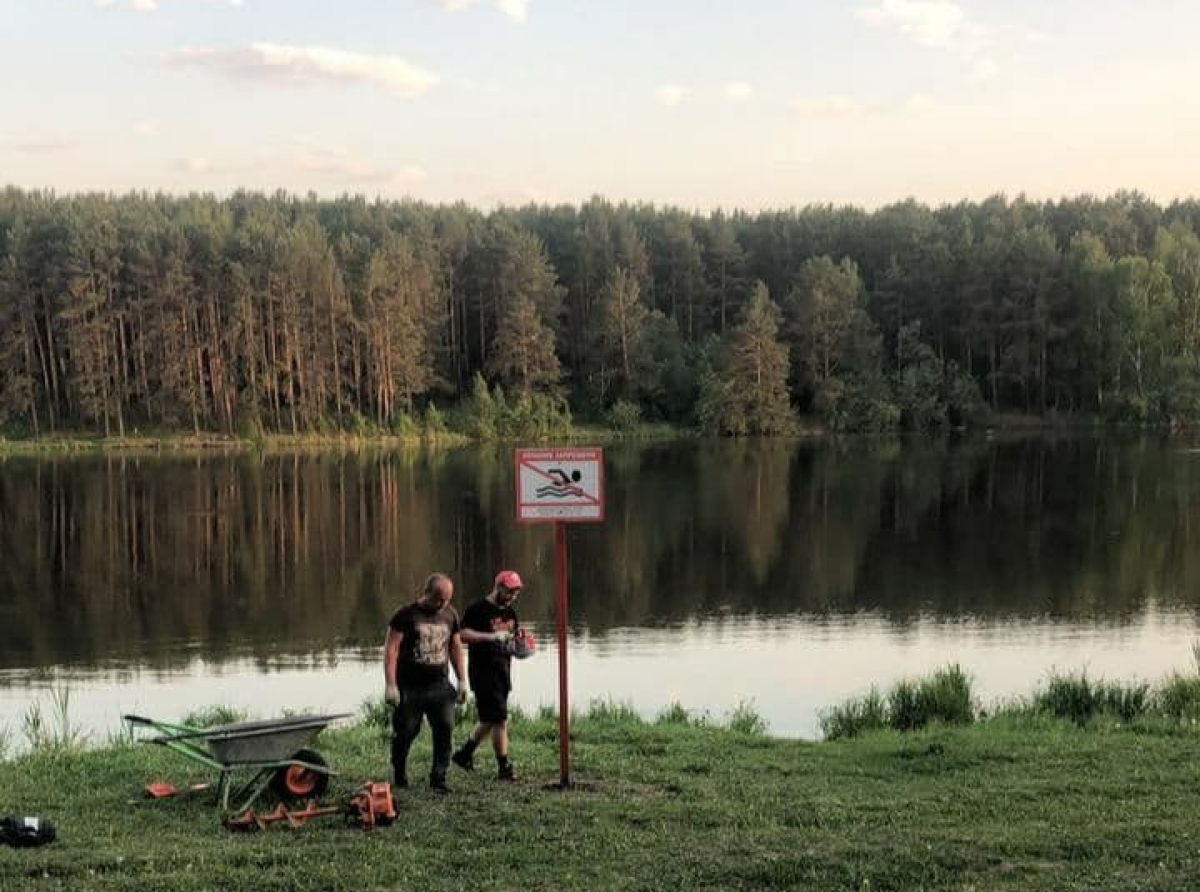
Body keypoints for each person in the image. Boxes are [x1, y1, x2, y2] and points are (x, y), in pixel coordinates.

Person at [383, 572, 468, 793]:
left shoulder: (450, 614)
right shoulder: (405, 615)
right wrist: (391, 685)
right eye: (439, 599)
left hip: (440, 685)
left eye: (447, 599)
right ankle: (399, 771)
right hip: (410, 687)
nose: (443, 604)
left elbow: (456, 648)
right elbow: (391, 650)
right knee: (406, 732)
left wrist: (462, 680)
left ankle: (439, 778)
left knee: (445, 729)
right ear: (427, 593)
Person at [452, 569, 524, 781]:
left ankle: (464, 754)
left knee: (489, 718)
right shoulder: (478, 609)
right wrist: (490, 637)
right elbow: (462, 635)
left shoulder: (510, 613)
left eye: (516, 592)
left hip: (503, 670)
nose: (512, 596)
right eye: (509, 591)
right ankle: (504, 767)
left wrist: (521, 646)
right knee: (500, 719)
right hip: (483, 671)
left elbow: (512, 639)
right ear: (498, 587)